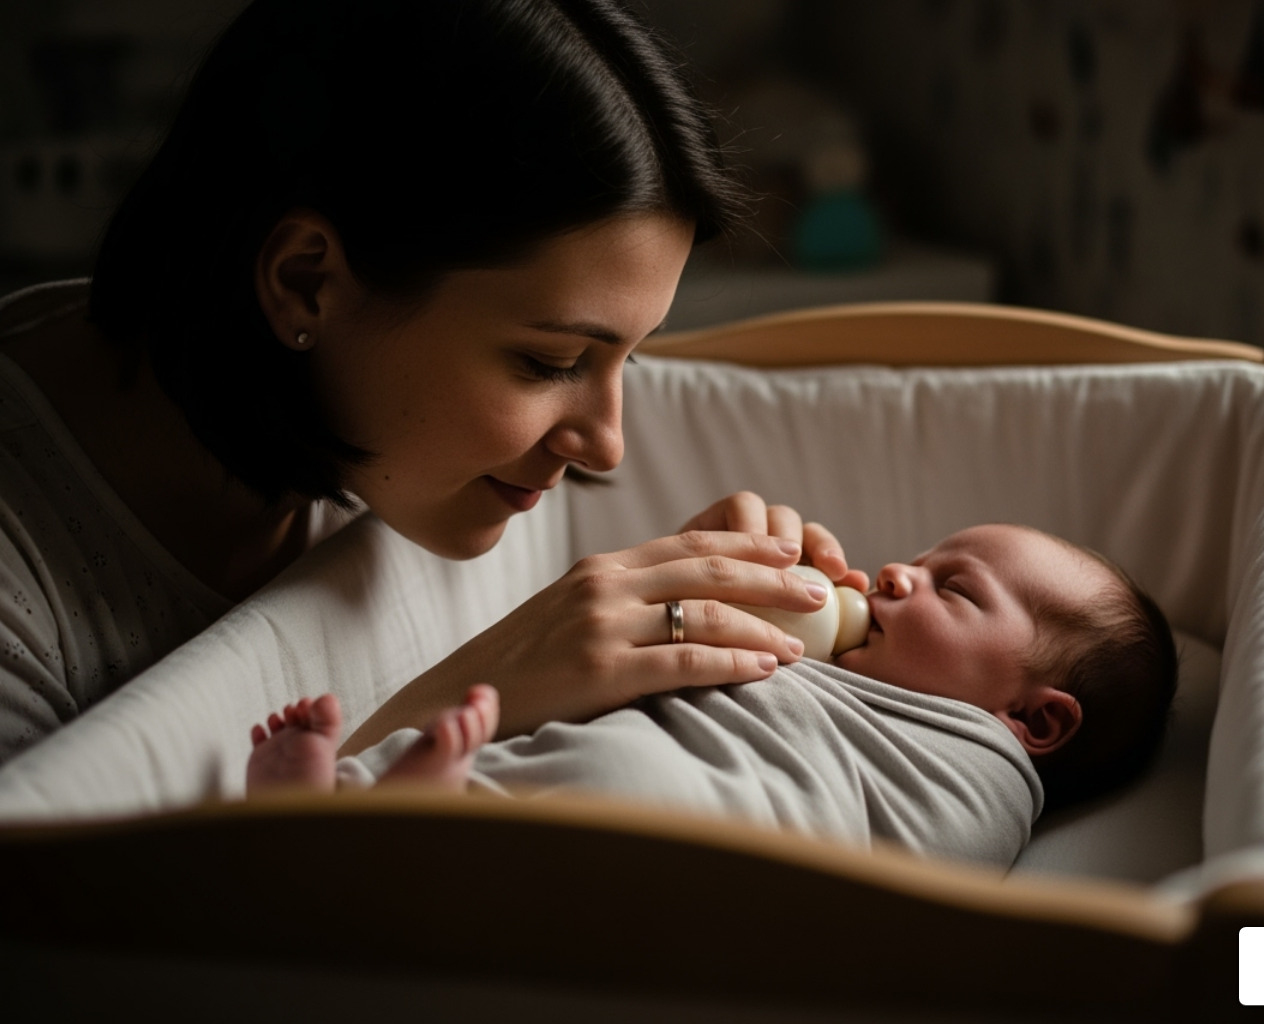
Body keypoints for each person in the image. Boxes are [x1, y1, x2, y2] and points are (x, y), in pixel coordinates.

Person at [0, 0, 868, 767]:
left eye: (627, 358)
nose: (610, 442)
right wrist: (465, 702)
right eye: (550, 362)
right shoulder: (29, 583)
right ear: (306, 283)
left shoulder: (338, 414)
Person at [248, 524, 1180, 865]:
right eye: (925, 557)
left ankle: (380, 820)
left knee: (580, 795)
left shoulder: (982, 777)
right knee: (528, 765)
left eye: (957, 589)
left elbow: (903, 908)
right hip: (633, 771)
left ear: (1033, 720)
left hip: (708, 828)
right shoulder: (830, 667)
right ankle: (351, 806)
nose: (898, 572)